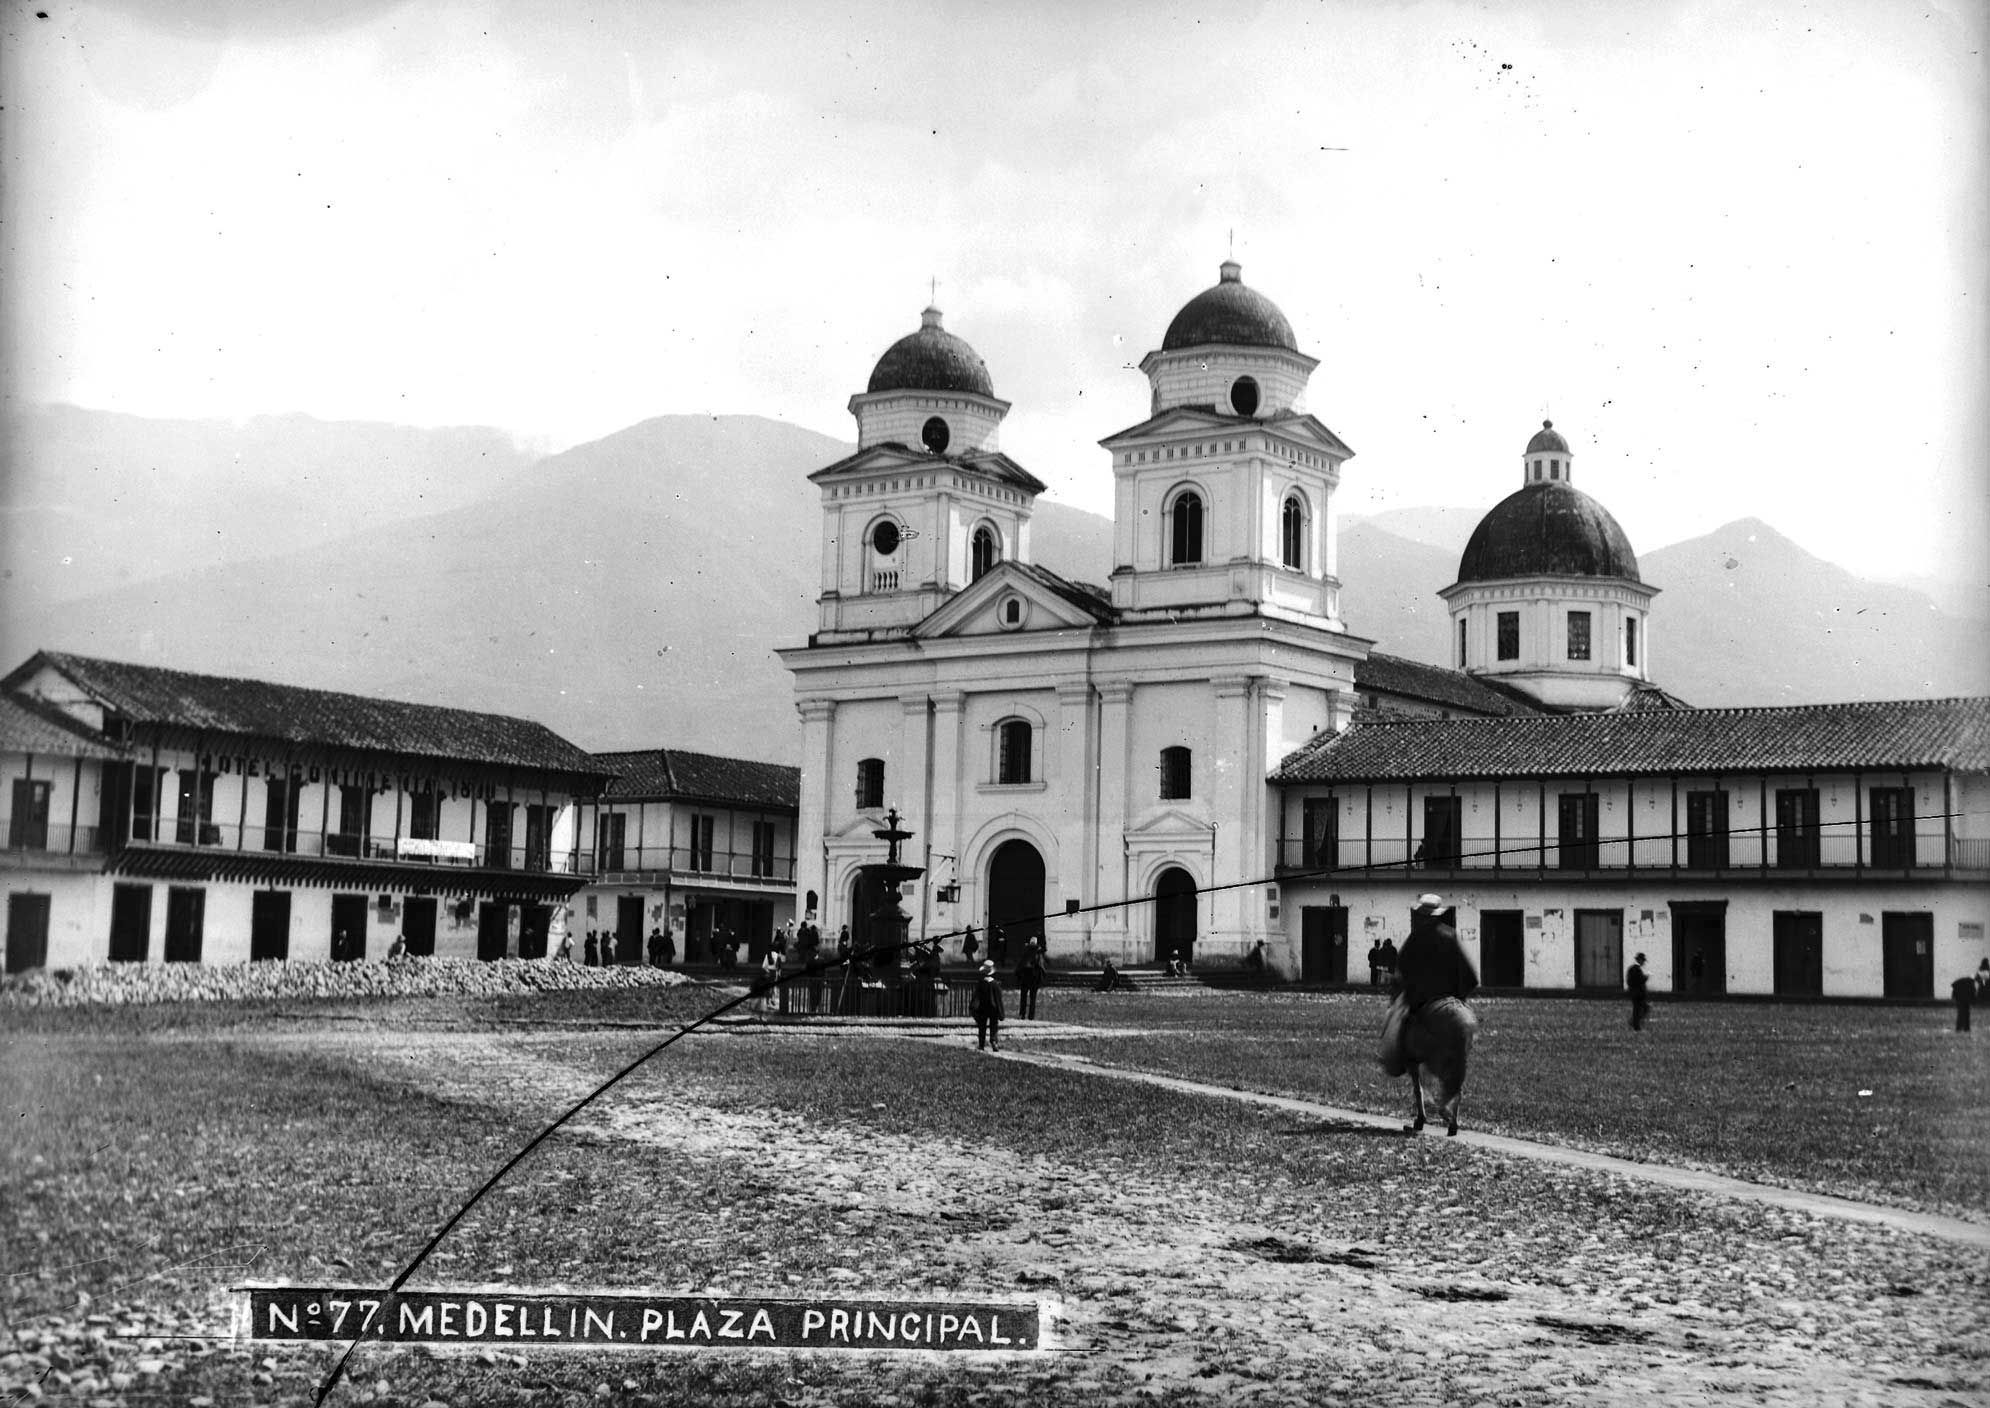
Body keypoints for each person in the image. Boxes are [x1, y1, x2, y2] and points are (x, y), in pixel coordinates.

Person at [1380, 895, 1478, 1076]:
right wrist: (1458, 999)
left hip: (1421, 1008)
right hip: (1452, 1005)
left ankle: (1397, 1063)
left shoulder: (1414, 939)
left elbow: (1401, 975)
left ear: (1421, 916)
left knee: (1394, 1041)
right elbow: (1470, 978)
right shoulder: (1451, 937)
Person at [970, 959, 1005, 1050]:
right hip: (993, 1008)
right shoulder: (995, 984)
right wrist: (1001, 1012)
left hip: (982, 1007)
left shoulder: (981, 983)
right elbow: (998, 999)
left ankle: (981, 1044)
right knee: (994, 1025)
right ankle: (993, 1041)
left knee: (982, 1026)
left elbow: (976, 996)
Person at [1015, 942, 1044, 1020]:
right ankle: (1031, 1016)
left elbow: (1019, 967)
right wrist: (1040, 980)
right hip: (1034, 980)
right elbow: (1041, 969)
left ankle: (1022, 1014)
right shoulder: (1038, 956)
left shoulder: (1025, 954)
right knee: (1033, 999)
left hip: (1025, 979)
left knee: (1023, 998)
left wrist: (1018, 978)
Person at [1627, 952, 1651, 1030]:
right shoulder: (1637, 969)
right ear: (1640, 960)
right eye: (1643, 961)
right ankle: (1635, 1025)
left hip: (1635, 993)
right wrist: (1646, 977)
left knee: (1640, 1009)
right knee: (1640, 1010)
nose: (1644, 962)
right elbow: (1640, 980)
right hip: (1638, 994)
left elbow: (1630, 981)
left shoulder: (1631, 969)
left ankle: (1634, 1022)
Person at [757, 948, 783, 1015]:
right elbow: (779, 967)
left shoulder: (767, 955)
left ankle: (768, 1001)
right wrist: (779, 974)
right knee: (774, 986)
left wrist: (767, 972)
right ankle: (773, 1000)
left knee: (768, 987)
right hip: (775, 973)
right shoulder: (778, 956)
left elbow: (763, 966)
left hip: (768, 972)